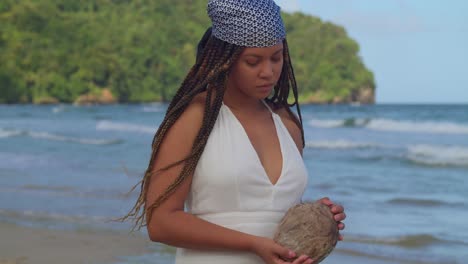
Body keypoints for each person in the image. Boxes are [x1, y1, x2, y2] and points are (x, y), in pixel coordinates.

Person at [123, 0, 346, 263]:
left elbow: (269, 210)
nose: (269, 72)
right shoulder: (195, 118)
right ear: (225, 60)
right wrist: (252, 244)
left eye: (276, 58)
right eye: (253, 61)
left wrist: (318, 218)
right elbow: (160, 222)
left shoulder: (285, 122)